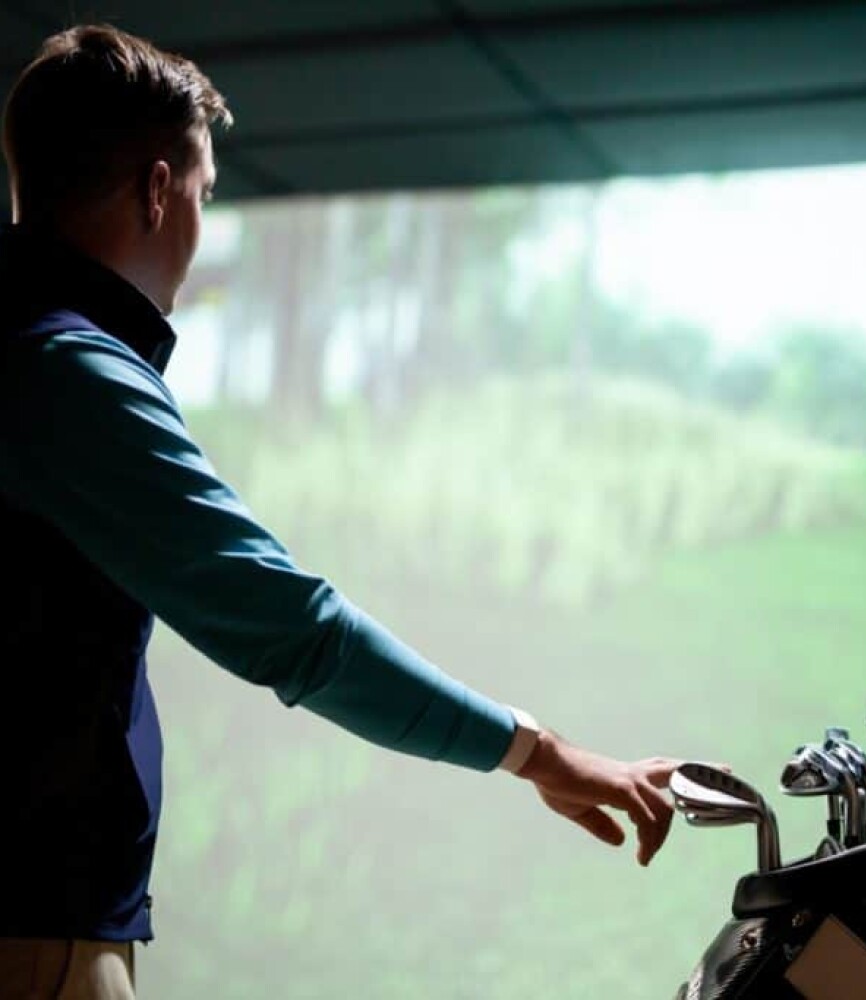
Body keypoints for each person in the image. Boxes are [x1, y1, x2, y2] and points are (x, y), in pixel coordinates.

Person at [0, 24, 687, 999]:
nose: (197, 228)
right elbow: (297, 632)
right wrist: (539, 753)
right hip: (33, 942)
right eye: (202, 195)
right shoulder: (66, 371)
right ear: (157, 191)